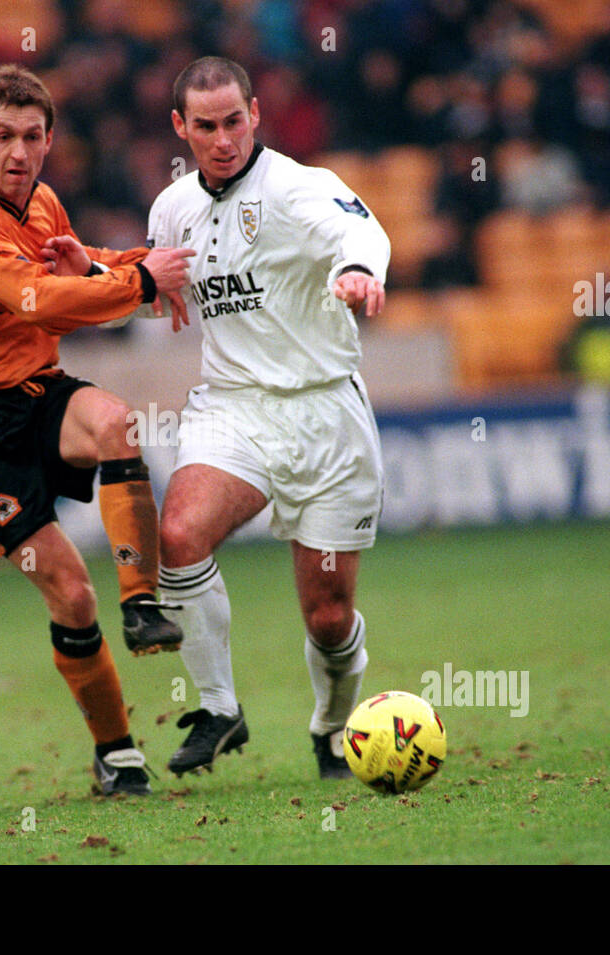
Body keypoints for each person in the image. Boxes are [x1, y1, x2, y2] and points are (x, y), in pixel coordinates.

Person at [0, 64, 195, 796]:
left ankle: (143, 603)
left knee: (116, 422)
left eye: (32, 136)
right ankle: (117, 752)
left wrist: (135, 266)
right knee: (69, 592)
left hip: (38, 392)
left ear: (48, 142)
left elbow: (73, 281)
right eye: (2, 135)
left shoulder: (45, 206)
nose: (17, 151)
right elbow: (33, 298)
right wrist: (139, 282)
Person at [151, 57, 391, 779]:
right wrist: (102, 277)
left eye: (233, 121)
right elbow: (156, 287)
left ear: (255, 114)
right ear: (180, 127)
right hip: (234, 410)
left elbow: (361, 232)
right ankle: (220, 706)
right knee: (180, 533)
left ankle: (331, 722)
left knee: (327, 616)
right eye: (205, 126)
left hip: (325, 416)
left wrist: (359, 272)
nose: (222, 139)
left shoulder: (297, 187)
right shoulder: (171, 208)